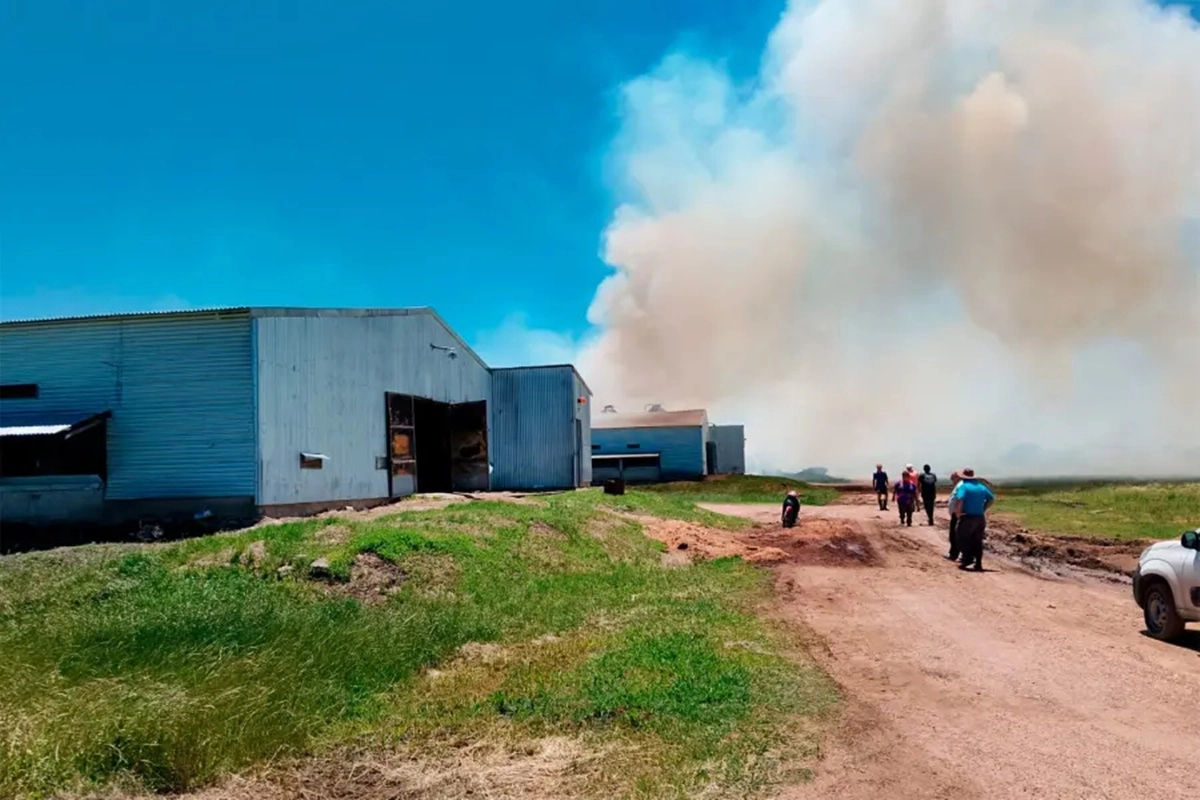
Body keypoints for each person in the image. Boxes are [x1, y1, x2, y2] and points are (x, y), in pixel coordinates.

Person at [947, 468, 995, 571]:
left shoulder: (964, 487)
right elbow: (991, 498)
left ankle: (968, 558)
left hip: (967, 517)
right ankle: (978, 563)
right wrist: (983, 509)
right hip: (980, 518)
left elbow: (960, 500)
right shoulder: (981, 487)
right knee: (977, 541)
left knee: (960, 538)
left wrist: (958, 513)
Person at [945, 470, 962, 560]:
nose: (951, 479)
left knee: (954, 534)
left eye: (953, 477)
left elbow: (960, 499)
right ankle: (955, 553)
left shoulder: (961, 485)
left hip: (957, 514)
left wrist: (957, 512)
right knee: (955, 534)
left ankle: (954, 554)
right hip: (956, 513)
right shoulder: (958, 485)